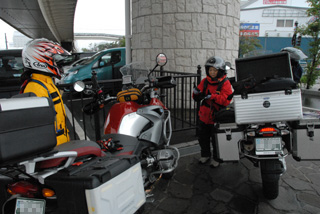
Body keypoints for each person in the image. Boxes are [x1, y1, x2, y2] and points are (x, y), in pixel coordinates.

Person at [20, 38, 70, 145]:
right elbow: (36, 128)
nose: (57, 64)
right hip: (52, 148)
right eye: (54, 60)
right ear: (40, 60)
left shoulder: (47, 83)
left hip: (61, 143)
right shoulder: (35, 88)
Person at [193, 56, 233, 168]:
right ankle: (205, 155)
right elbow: (197, 94)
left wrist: (213, 97)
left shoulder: (225, 83)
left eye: (214, 70)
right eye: (210, 70)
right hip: (204, 115)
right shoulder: (205, 81)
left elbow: (226, 100)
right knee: (203, 138)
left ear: (220, 71)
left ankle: (217, 158)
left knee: (217, 140)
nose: (212, 72)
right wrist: (196, 93)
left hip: (217, 116)